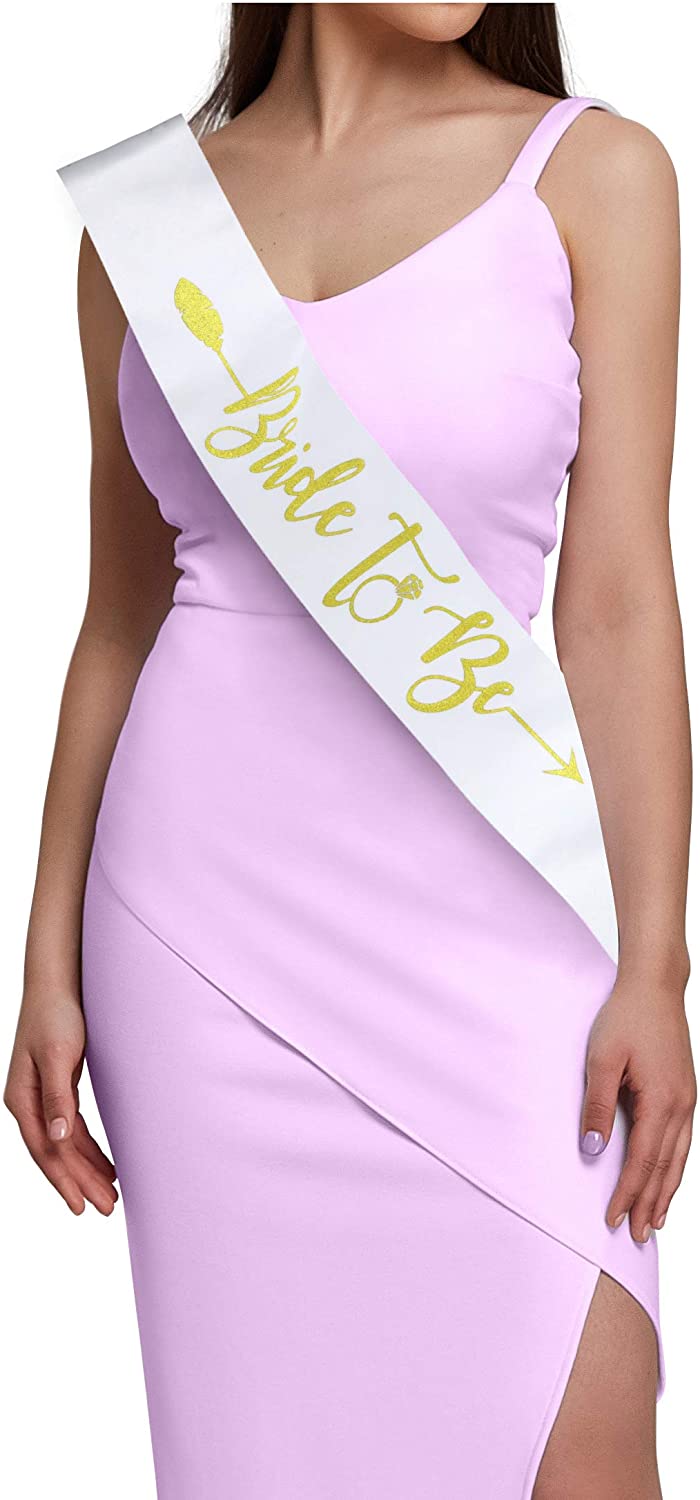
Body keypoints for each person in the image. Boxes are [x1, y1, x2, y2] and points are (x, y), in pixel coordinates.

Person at [5, 5, 695, 1496]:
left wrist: (657, 963)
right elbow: (118, 618)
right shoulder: (144, 217)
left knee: (586, 1444)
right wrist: (46, 957)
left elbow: (621, 604)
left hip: (499, 933)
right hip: (198, 943)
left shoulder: (596, 177)